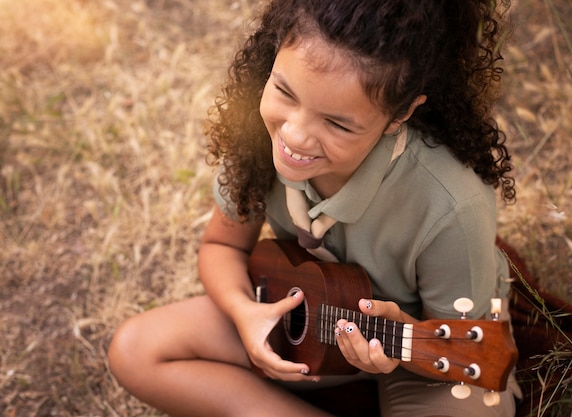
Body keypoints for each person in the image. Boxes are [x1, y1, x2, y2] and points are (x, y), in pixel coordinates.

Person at [107, 0, 521, 416]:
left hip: (417, 354)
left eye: (337, 123)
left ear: (401, 114)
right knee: (136, 350)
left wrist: (401, 346)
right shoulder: (261, 138)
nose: (295, 136)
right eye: (285, 92)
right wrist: (244, 312)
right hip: (304, 319)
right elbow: (222, 247)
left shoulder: (451, 204)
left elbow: (462, 350)